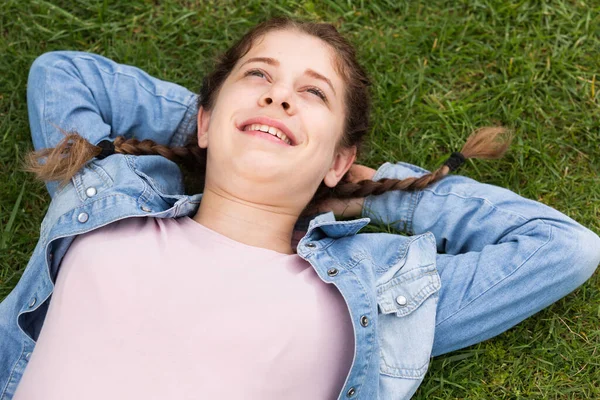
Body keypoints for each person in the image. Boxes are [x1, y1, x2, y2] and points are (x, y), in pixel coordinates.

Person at [0, 17, 598, 400]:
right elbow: (63, 74)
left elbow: (562, 247)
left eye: (313, 93)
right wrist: (224, 128)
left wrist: (380, 188)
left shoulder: (380, 292)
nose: (280, 93)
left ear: (340, 159)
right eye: (259, 75)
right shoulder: (112, 198)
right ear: (205, 119)